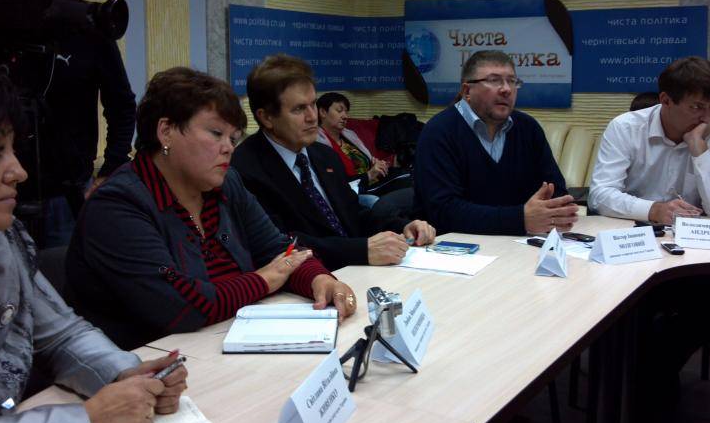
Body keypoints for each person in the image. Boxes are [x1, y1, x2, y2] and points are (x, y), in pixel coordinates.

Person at [66, 67, 356, 350]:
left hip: (229, 343)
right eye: (216, 133)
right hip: (153, 362)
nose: (228, 148)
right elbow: (181, 306)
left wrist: (319, 279)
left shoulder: (226, 184)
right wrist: (264, 279)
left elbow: (281, 251)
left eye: (233, 138)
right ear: (166, 132)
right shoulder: (117, 206)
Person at [0, 71, 188, 423]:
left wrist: (125, 373)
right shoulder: (121, 199)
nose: (19, 172)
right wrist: (84, 422)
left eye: (13, 149)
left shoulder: (5, 239)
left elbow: (62, 334)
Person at [0, 0, 137, 246]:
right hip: (0, 192)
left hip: (67, 196)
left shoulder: (84, 25)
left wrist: (111, 169)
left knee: (64, 275)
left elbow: (122, 103)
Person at [231, 54, 436, 271]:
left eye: (313, 104)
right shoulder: (245, 169)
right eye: (299, 109)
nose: (312, 117)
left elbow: (353, 214)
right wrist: (361, 250)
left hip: (362, 271)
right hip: (309, 279)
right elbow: (281, 243)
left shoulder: (323, 155)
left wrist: (402, 227)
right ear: (266, 118)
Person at [414, 50, 578, 235]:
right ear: (467, 91)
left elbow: (557, 191)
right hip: (455, 246)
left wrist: (558, 212)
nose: (506, 89)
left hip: (518, 243)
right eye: (494, 80)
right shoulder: (439, 132)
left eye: (512, 81)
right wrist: (520, 219)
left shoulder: (528, 128)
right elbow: (443, 212)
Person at [589, 56, 710, 222]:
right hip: (633, 229)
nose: (707, 117)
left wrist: (699, 149)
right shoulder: (626, 128)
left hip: (695, 232)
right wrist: (654, 210)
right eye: (696, 107)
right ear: (666, 100)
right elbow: (600, 196)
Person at [316, 92, 389, 184]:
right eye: (339, 111)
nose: (345, 116)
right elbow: (335, 182)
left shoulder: (349, 135)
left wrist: (377, 165)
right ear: (323, 112)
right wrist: (369, 175)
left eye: (346, 112)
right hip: (356, 189)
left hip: (374, 183)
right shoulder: (316, 143)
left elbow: (369, 160)